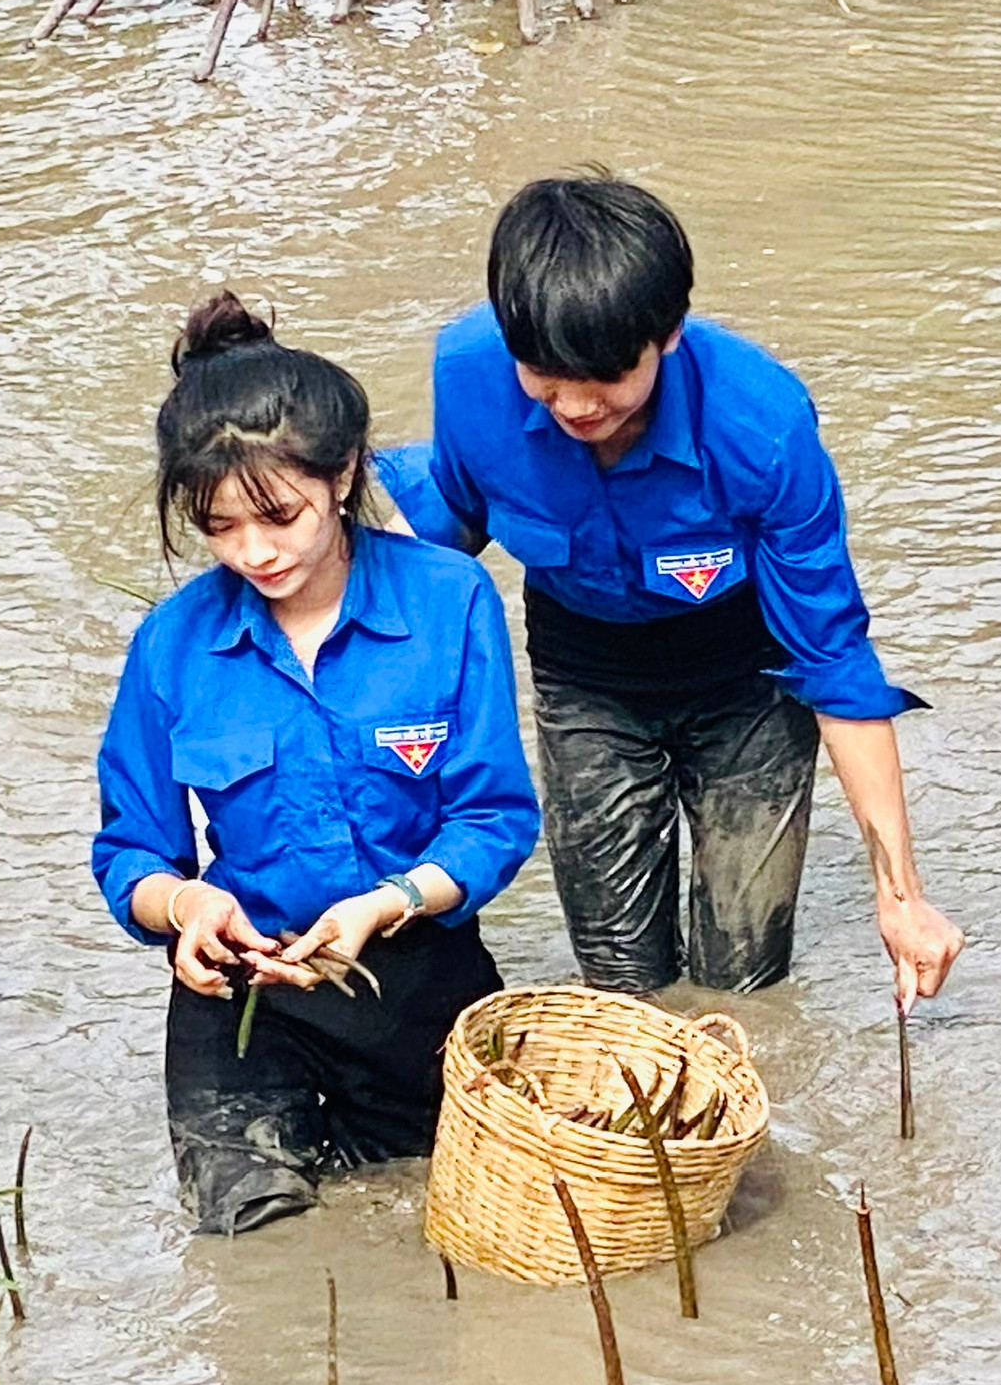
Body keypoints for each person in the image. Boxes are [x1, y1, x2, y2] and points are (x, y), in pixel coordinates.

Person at [377, 175, 963, 1007]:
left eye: (609, 377)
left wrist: (900, 897)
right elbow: (454, 517)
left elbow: (834, 660)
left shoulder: (761, 426)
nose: (577, 405)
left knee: (743, 979)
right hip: (586, 675)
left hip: (750, 686)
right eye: (544, 375)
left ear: (670, 335)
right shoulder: (469, 371)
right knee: (621, 979)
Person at [93, 293, 539, 1236]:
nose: (255, 552)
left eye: (279, 516)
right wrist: (186, 907)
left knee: (440, 1235)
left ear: (343, 474)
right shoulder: (170, 645)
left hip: (412, 974)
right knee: (258, 1251)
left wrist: (390, 902)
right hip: (244, 995)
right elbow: (133, 848)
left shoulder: (450, 601)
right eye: (220, 528)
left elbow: (495, 818)